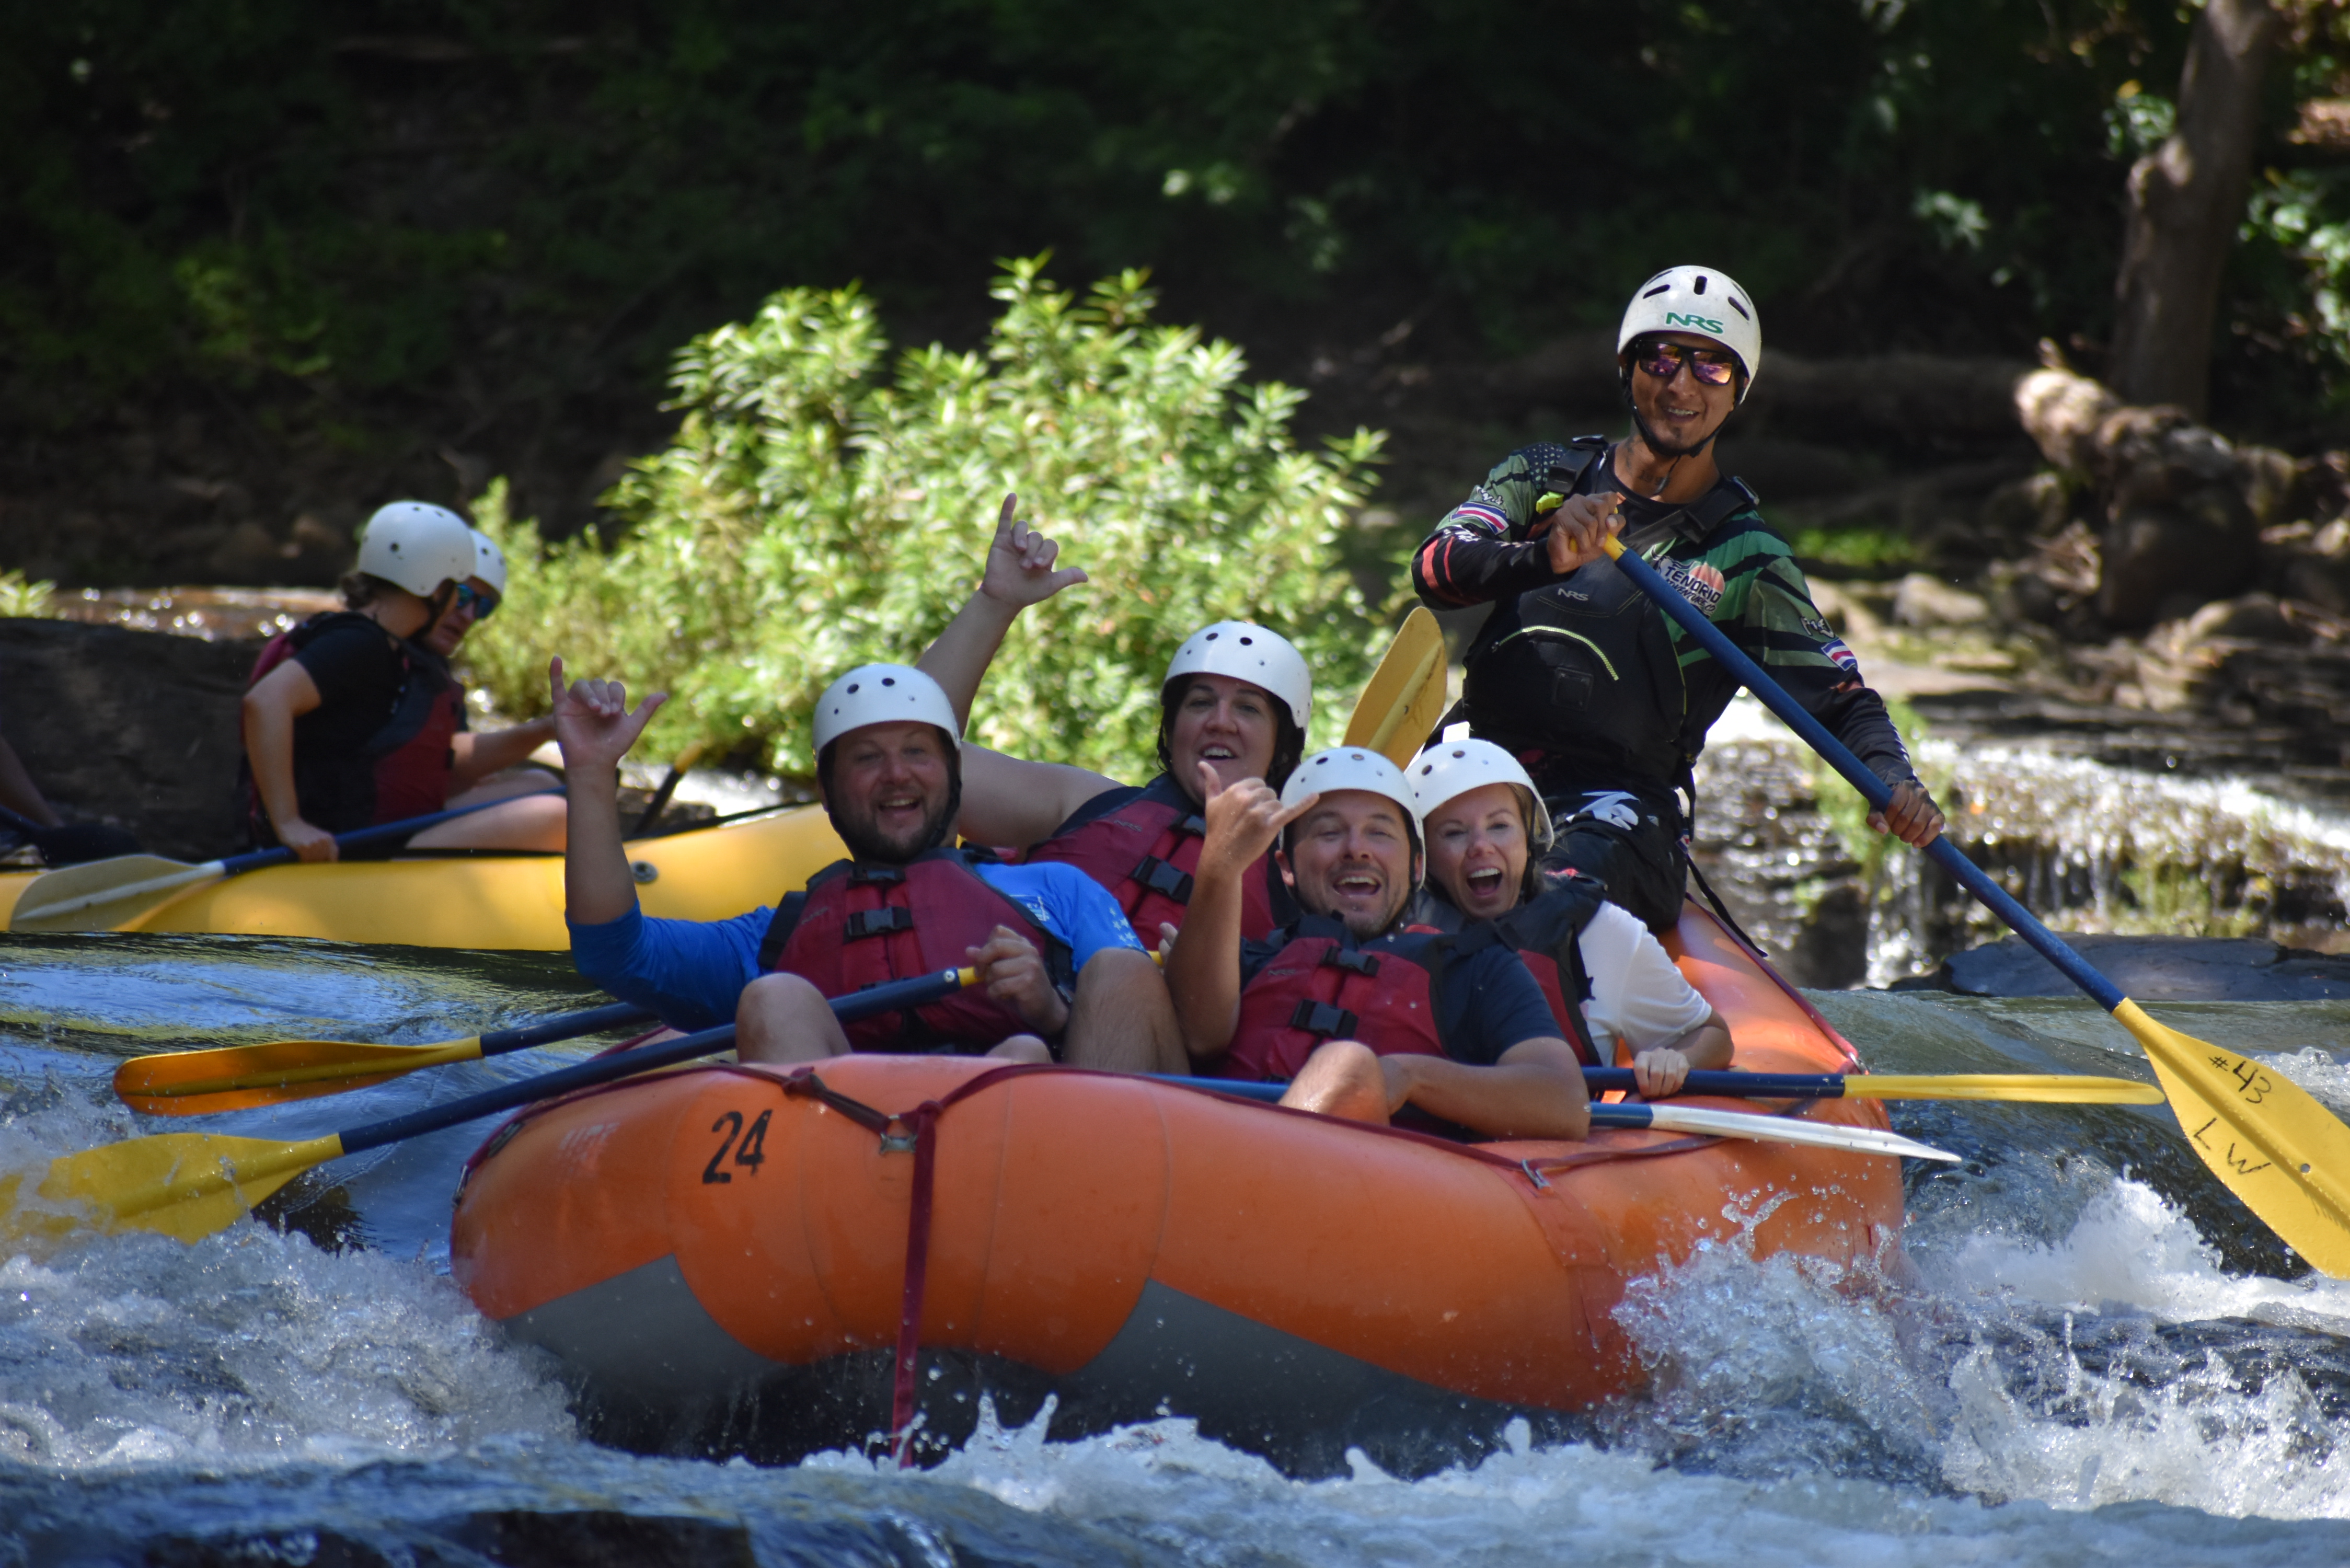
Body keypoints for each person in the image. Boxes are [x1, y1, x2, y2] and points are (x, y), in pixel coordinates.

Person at [1411, 265, 1944, 933]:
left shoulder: (1747, 557)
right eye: (1660, 359)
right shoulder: (1541, 476)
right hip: (1479, 775)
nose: (1681, 385)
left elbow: (1840, 700)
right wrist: (1540, 556)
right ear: (1627, 369)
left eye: (1711, 368)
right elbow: (1435, 570)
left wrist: (1892, 777)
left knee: (1545, 901)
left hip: (1615, 813)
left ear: (1737, 390)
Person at [558, 659, 1185, 1070]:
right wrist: (589, 778)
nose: (895, 774)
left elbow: (1141, 1029)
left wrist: (1050, 1010)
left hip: (1028, 1155)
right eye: (865, 758)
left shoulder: (1056, 892)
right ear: (827, 795)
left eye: (917, 751)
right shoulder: (778, 935)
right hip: (846, 1168)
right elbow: (615, 953)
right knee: (774, 998)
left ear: (954, 777)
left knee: (1079, 1001)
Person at [917, 495, 1307, 945]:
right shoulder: (1085, 804)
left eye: (1248, 708)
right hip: (1005, 1005)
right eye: (1200, 703)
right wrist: (994, 604)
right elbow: (906, 760)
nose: (1220, 721)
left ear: (1282, 745)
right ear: (1172, 730)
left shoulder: (1302, 869)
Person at [1164, 745, 1591, 1140]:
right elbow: (1198, 1036)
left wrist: (1408, 1075)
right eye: (1329, 833)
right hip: (1211, 1161)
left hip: (1376, 1194)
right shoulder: (1245, 960)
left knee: (1345, 1064)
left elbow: (1565, 1103)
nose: (1356, 850)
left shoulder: (1477, 968)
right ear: (1286, 866)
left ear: (1416, 864)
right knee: (1121, 968)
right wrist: (1219, 869)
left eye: (1380, 833)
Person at [1409, 729, 1731, 1099]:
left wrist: (1679, 1063)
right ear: (1422, 859)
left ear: (1529, 838)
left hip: (1562, 1149)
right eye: (1454, 833)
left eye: (1500, 826)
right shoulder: (1392, 938)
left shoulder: (1600, 930)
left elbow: (1713, 1035)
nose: (1481, 846)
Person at [237, 503, 563, 861]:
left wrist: (549, 729)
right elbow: (265, 701)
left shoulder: (386, 649)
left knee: (544, 789)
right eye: (460, 592)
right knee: (556, 816)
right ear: (435, 588)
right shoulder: (361, 643)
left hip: (368, 828)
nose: (464, 610)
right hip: (346, 849)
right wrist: (290, 824)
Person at [418, 527, 562, 813]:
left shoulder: (437, 675)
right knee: (549, 807)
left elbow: (448, 773)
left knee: (541, 783)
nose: (469, 615)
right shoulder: (381, 657)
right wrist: (546, 729)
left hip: (406, 814)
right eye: (460, 595)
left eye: (483, 606)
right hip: (364, 833)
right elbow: (442, 767)